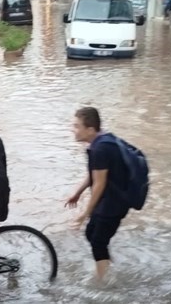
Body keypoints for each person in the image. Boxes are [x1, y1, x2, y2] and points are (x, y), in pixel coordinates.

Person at [65, 107, 130, 281]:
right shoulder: (100, 141)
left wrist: (84, 213)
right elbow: (94, 174)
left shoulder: (100, 149)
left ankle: (104, 284)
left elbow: (99, 183)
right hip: (111, 199)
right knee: (92, 233)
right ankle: (109, 267)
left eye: (77, 126)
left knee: (98, 241)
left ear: (90, 130)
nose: (73, 129)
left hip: (113, 202)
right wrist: (78, 193)